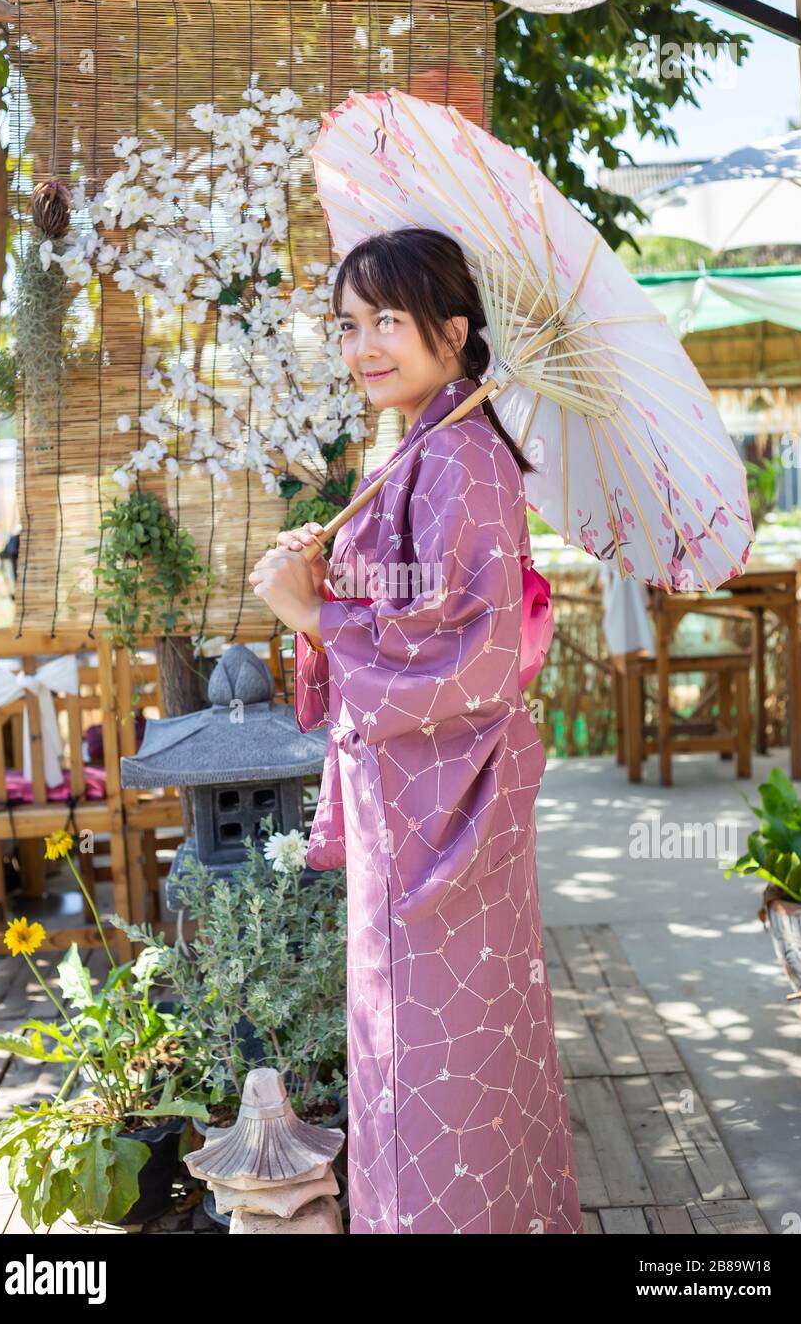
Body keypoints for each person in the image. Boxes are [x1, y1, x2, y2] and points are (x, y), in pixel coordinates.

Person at [249, 226, 583, 1235]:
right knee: (423, 1058)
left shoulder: (465, 459)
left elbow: (476, 656)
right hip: (422, 807)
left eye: (386, 320)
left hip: (448, 816)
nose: (362, 346)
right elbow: (416, 609)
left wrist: (314, 618)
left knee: (442, 1074)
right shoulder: (427, 446)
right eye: (348, 324)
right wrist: (332, 570)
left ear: (451, 328)